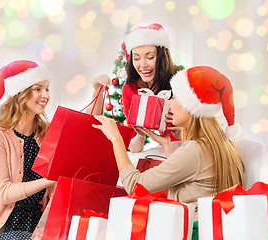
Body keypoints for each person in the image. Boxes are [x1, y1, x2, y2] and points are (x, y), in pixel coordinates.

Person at [93, 66, 245, 239]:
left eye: (174, 97)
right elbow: (191, 178)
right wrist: (166, 144)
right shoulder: (222, 144)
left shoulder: (195, 150)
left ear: (190, 107)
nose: (169, 103)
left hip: (189, 232)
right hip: (208, 229)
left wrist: (117, 139)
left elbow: (135, 186)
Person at [0, 60, 56, 240]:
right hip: (2, 227)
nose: (46, 95)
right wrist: (48, 179)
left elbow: (80, 127)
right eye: (38, 89)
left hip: (38, 223)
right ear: (21, 93)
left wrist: (98, 91)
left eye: (47, 89)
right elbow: (3, 193)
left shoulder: (46, 133)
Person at [88, 23, 184, 152]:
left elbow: (204, 133)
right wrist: (140, 135)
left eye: (150, 57)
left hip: (187, 150)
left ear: (162, 58)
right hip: (163, 153)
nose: (143, 65)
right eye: (137, 58)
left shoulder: (180, 80)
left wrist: (183, 132)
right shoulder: (130, 89)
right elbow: (134, 148)